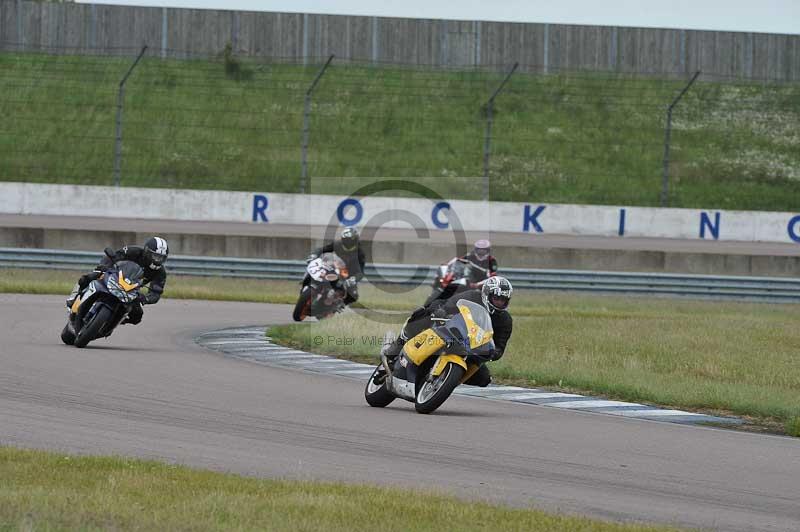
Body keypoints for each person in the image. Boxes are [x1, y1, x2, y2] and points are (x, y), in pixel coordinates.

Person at [383, 276, 513, 387]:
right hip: (451, 332)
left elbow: (500, 347)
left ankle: (444, 382)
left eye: (503, 300)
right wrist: (442, 311)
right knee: (423, 313)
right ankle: (396, 346)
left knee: (484, 379)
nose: (499, 302)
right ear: (487, 293)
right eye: (497, 298)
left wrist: (493, 352)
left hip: (471, 349)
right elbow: (450, 304)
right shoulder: (472, 296)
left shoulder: (505, 320)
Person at [65, 237, 169, 325]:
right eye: (155, 256)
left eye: (161, 258)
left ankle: (115, 321)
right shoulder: (134, 251)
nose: (157, 260)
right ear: (147, 251)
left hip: (132, 290)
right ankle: (73, 298)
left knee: (137, 317)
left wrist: (145, 299)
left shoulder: (160, 273)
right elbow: (114, 256)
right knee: (87, 278)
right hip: (115, 275)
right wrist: (103, 267)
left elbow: (156, 293)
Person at [306, 227, 366, 304]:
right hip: (334, 266)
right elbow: (322, 249)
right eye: (346, 240)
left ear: (355, 240)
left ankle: (338, 305)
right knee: (317, 269)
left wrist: (353, 279)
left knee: (354, 296)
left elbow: (360, 272)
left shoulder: (360, 253)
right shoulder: (338, 244)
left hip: (348, 274)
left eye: (350, 240)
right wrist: (314, 255)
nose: (348, 242)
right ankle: (307, 284)